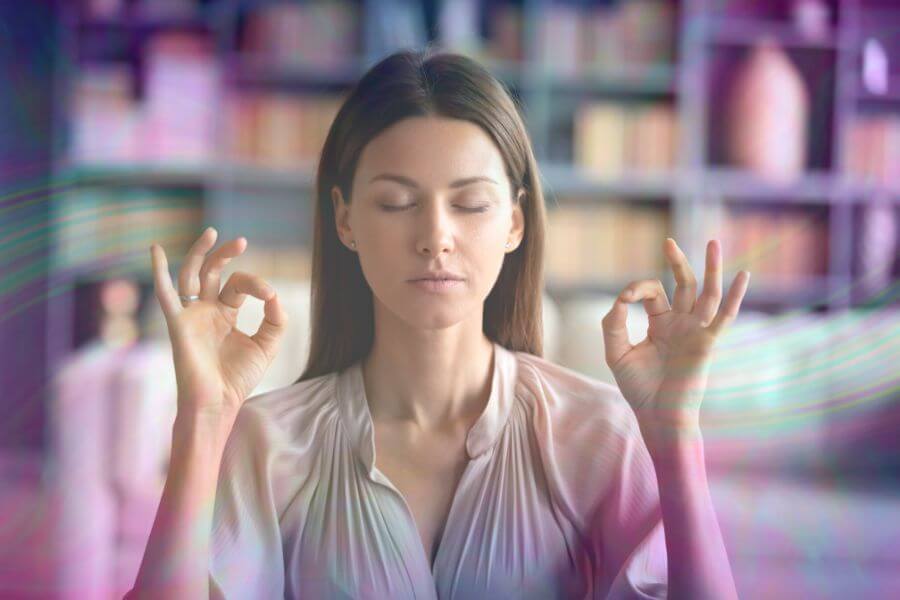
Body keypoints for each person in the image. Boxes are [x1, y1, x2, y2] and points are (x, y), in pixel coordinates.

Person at [128, 48, 747, 599]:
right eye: (396, 203)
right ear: (344, 219)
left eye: (471, 204)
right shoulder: (269, 443)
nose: (435, 239)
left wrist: (674, 436)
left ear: (514, 222)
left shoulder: (593, 434)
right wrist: (204, 419)